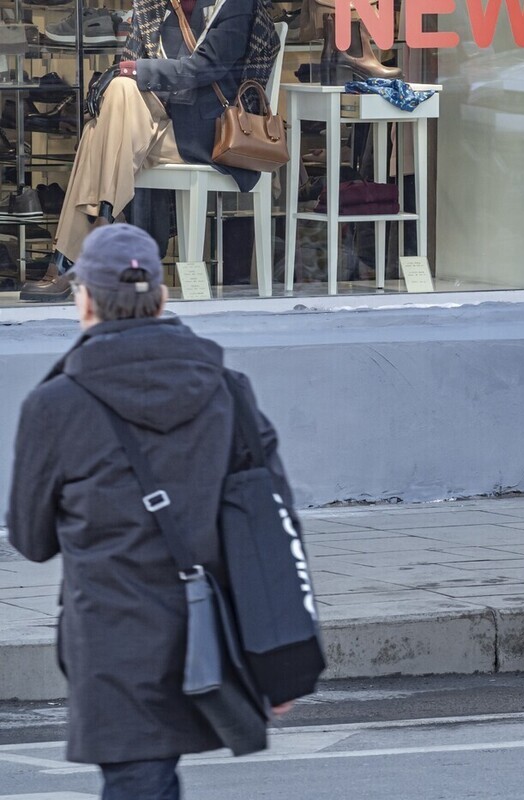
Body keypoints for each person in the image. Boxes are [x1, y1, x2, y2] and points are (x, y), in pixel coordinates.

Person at [6, 224, 295, 798]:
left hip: (112, 637)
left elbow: (31, 539)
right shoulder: (227, 388)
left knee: (140, 780)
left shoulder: (55, 403)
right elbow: (274, 525)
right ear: (162, 298)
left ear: (84, 299)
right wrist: (284, 655)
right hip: (215, 630)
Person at [20, 0, 280, 302]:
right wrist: (121, 75)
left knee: (98, 134)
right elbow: (129, 64)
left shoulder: (234, 4)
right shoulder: (154, 5)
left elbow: (205, 68)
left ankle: (73, 257)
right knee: (117, 96)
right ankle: (101, 228)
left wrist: (131, 70)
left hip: (214, 131)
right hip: (155, 125)